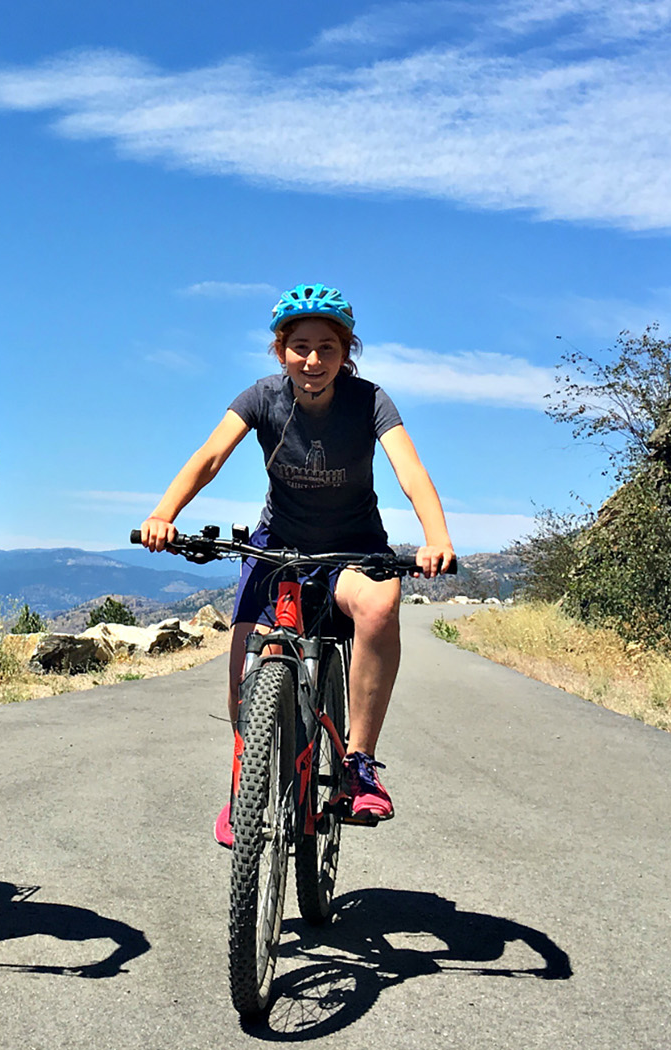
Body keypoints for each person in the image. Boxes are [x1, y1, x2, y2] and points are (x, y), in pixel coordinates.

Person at [136, 284, 456, 847]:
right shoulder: (261, 398)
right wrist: (164, 514)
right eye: (300, 346)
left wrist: (437, 536)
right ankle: (247, 783)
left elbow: (410, 469)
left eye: (327, 348)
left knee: (381, 608)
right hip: (279, 546)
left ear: (345, 352)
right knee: (244, 663)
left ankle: (358, 763)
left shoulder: (370, 400)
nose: (313, 360)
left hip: (353, 549)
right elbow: (210, 456)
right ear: (280, 350)